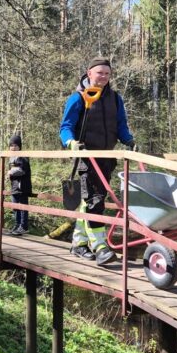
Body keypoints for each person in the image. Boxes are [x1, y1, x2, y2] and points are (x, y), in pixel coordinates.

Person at [59, 57, 136, 266]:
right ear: (89, 73)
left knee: (89, 199)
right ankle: (101, 247)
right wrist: (71, 143)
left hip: (107, 157)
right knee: (95, 200)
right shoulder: (78, 98)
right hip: (86, 156)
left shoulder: (115, 98)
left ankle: (79, 243)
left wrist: (128, 139)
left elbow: (121, 125)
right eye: (99, 72)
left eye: (107, 73)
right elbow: (65, 127)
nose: (103, 77)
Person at [7, 134, 32, 235]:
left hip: (22, 187)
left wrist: (10, 172)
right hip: (14, 187)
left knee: (23, 208)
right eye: (11, 145)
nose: (13, 147)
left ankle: (23, 226)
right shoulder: (11, 158)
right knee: (15, 207)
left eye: (15, 145)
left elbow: (22, 170)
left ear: (19, 146)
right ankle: (17, 225)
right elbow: (13, 171)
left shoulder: (23, 157)